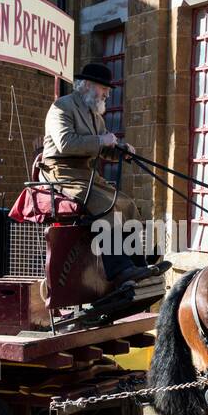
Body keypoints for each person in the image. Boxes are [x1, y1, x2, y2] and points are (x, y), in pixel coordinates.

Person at [40, 63, 143, 284]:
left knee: (126, 203)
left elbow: (105, 149)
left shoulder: (96, 116)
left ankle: (137, 263)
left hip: (85, 173)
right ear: (87, 85)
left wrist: (122, 151)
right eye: (103, 88)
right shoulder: (61, 107)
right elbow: (66, 144)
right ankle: (118, 270)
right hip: (60, 172)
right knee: (105, 204)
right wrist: (100, 140)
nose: (107, 93)